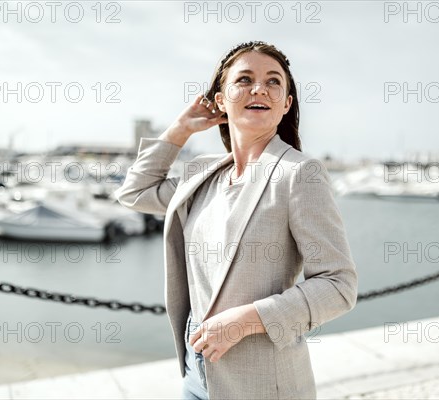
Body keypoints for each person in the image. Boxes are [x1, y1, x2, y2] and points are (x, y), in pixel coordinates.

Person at [115, 41, 358, 400]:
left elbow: (339, 285)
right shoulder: (203, 174)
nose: (259, 88)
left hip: (261, 383)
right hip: (196, 375)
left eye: (274, 82)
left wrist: (246, 321)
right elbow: (135, 191)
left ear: (286, 103)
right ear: (221, 100)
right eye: (244, 79)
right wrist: (180, 130)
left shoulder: (300, 173)